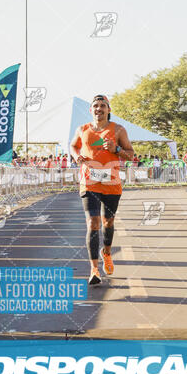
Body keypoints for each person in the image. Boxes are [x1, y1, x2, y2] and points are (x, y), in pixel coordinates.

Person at [70, 94, 134, 285]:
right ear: (91, 110)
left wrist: (116, 150)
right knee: (93, 223)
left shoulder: (119, 130)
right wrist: (76, 156)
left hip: (111, 184)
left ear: (108, 110)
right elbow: (73, 146)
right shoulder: (82, 129)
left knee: (108, 222)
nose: (99, 109)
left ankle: (106, 252)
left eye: (103, 106)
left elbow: (130, 155)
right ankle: (94, 270)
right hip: (89, 182)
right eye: (95, 106)